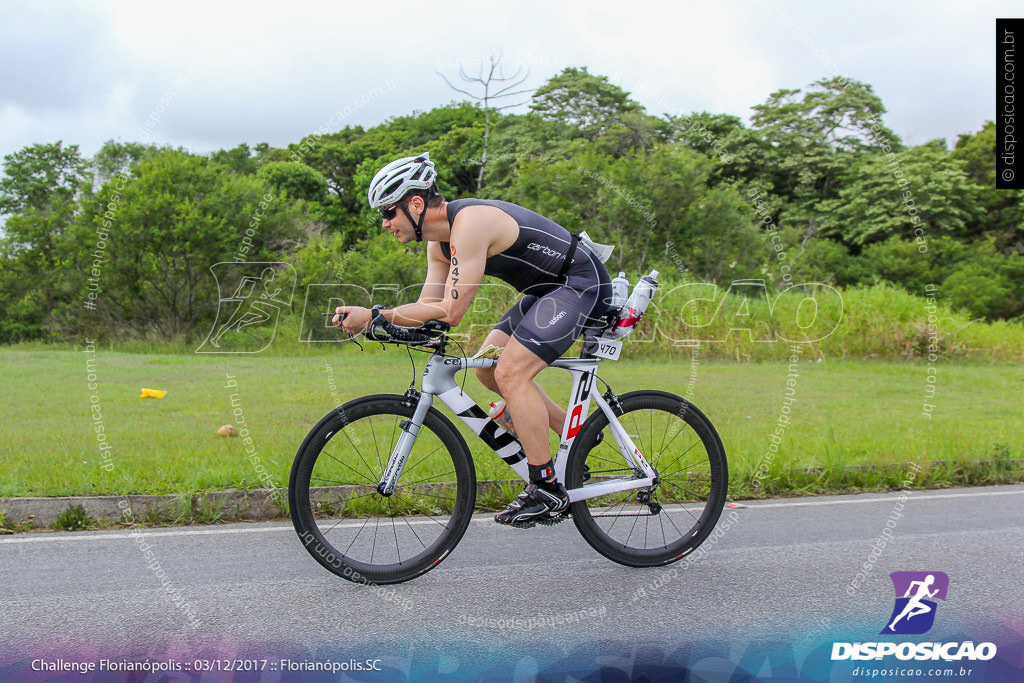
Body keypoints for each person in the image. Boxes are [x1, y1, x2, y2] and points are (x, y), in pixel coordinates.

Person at [333, 152, 612, 527]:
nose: (384, 223)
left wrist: (378, 314)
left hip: (579, 284)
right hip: (545, 292)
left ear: (415, 203)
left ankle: (545, 488)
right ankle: (576, 438)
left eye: (387, 212)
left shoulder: (470, 223)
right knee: (488, 369)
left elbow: (450, 311)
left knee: (512, 373)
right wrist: (377, 323)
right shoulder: (439, 244)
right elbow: (428, 307)